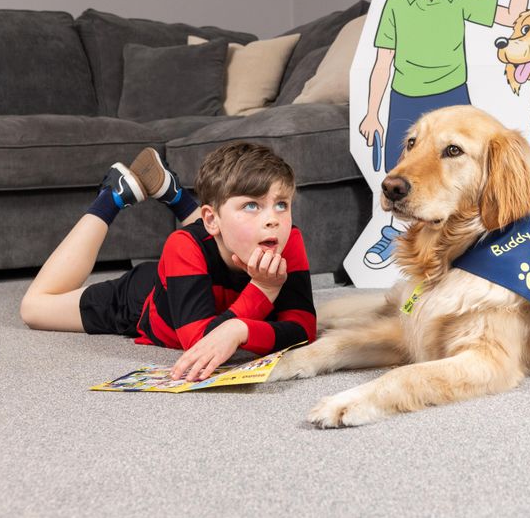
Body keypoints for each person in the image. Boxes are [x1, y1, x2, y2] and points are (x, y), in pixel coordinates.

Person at [357, 0, 530, 269]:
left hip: (450, 95)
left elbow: (514, 14)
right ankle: (397, 232)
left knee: (445, 180)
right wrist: (372, 112)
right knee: (405, 179)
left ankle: (463, 244)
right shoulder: (395, 2)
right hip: (404, 97)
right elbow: (382, 61)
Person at [20, 142, 315, 382]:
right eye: (252, 205)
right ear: (210, 218)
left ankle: (174, 195)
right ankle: (113, 195)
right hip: (141, 299)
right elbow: (200, 341)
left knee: (224, 234)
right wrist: (263, 289)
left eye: (281, 204)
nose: (272, 220)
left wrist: (241, 330)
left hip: (206, 261)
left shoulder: (288, 239)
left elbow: (304, 329)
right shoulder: (182, 246)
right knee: (34, 309)